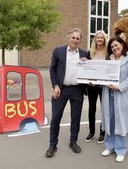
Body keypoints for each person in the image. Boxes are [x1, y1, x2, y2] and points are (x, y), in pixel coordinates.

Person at [46, 28, 89, 158]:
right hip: (61, 90)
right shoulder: (58, 51)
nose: (75, 40)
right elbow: (52, 69)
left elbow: (89, 70)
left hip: (77, 90)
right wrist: (55, 86)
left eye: (77, 38)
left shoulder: (84, 54)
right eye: (73, 38)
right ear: (68, 38)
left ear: (80, 40)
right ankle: (53, 144)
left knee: (75, 118)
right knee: (56, 118)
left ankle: (73, 142)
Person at [100, 36, 128, 163]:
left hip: (122, 95)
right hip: (108, 96)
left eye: (116, 45)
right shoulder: (109, 59)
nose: (115, 48)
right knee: (110, 121)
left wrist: (119, 87)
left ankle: (121, 149)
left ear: (122, 44)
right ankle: (109, 146)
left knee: (121, 122)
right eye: (112, 47)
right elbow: (104, 76)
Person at [85, 30, 107, 143]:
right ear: (95, 39)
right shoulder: (90, 52)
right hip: (91, 85)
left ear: (104, 39)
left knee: (104, 109)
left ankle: (102, 132)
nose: (99, 39)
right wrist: (83, 61)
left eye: (101, 37)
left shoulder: (108, 53)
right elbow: (86, 68)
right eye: (97, 37)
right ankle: (91, 131)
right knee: (91, 108)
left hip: (104, 86)